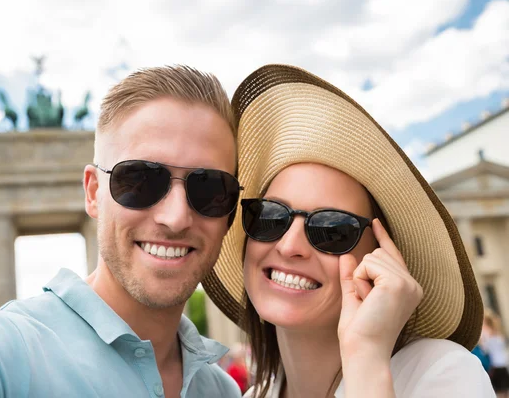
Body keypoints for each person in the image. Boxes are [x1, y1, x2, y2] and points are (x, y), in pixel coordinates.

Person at [0, 65, 243, 398]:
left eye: (209, 188)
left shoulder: (222, 389)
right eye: (141, 180)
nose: (176, 217)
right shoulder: (9, 349)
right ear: (93, 192)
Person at [202, 64, 495, 397]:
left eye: (332, 230)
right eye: (271, 217)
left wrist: (366, 356)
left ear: (382, 261)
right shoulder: (256, 394)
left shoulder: (441, 372)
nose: (289, 245)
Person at [481, 310, 509, 397]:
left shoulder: (487, 334)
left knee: (499, 393)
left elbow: (485, 350)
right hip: (503, 365)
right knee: (505, 391)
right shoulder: (498, 333)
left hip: (495, 367)